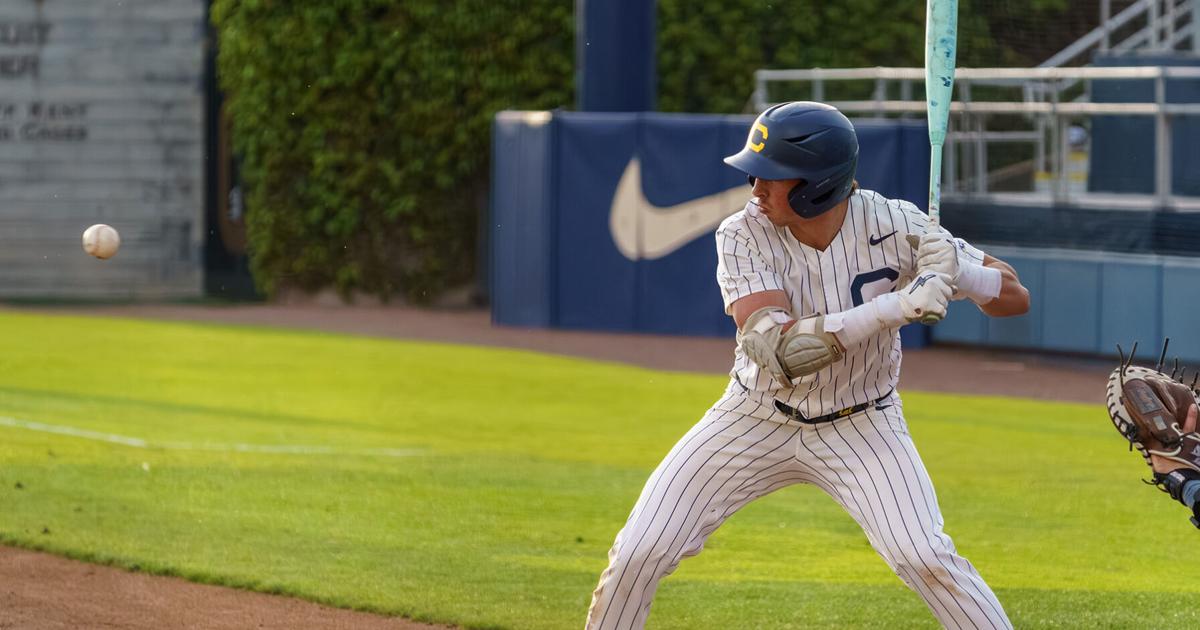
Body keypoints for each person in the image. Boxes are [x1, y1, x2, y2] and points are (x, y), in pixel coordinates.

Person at [585, 101, 1031, 630]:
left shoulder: (897, 223)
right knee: (639, 551)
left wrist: (958, 270)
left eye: (772, 177)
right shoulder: (741, 233)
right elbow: (776, 352)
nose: (756, 187)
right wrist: (897, 306)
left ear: (818, 185)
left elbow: (1015, 297)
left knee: (926, 558)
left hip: (864, 424)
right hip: (753, 417)